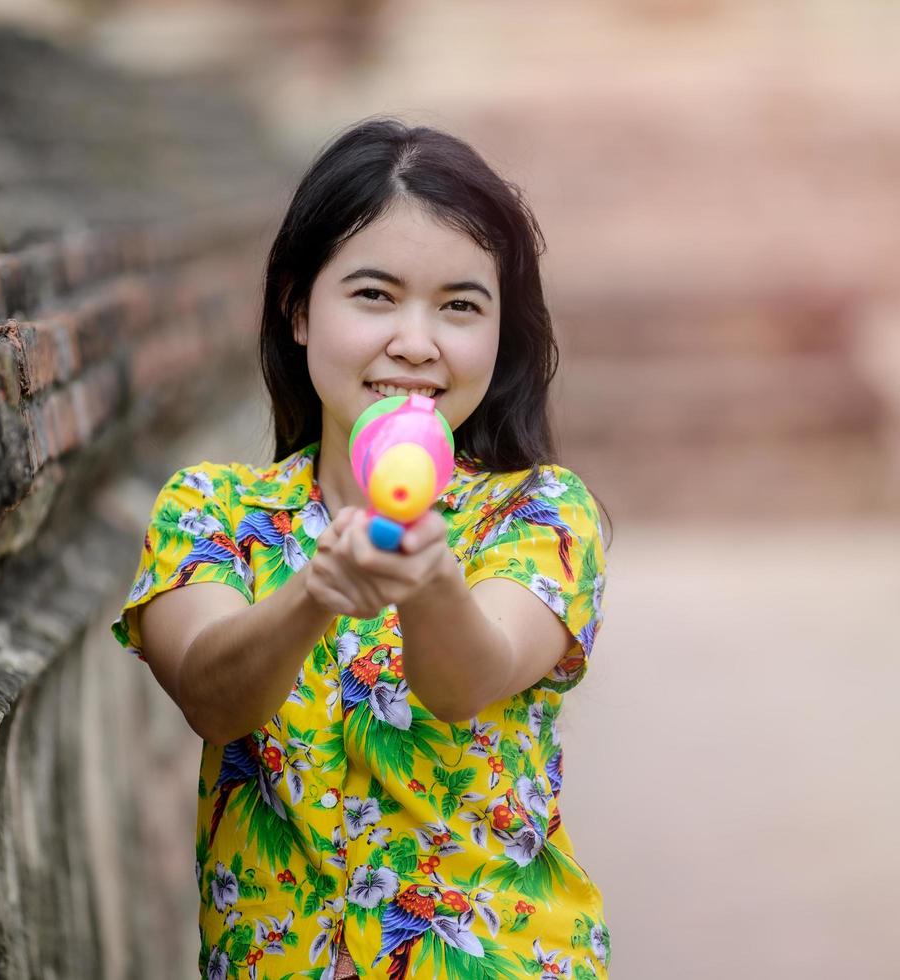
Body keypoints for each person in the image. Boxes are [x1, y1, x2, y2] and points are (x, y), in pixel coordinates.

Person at [113, 118, 612, 980]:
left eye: (460, 306)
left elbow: (468, 680)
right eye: (374, 296)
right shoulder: (212, 512)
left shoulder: (540, 514)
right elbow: (209, 696)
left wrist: (428, 582)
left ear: (501, 334)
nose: (415, 343)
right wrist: (315, 592)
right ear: (298, 308)